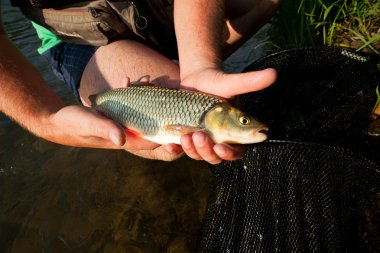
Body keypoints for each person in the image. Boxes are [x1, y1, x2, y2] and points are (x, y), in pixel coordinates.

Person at [0, 0, 281, 164]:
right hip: (77, 37)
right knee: (163, 146)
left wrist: (200, 61)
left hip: (152, 7)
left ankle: (184, 58)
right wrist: (46, 121)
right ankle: (163, 62)